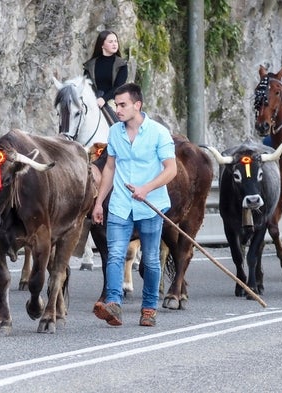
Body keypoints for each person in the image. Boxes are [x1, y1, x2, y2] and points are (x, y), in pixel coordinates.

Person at [91, 83, 177, 327]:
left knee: (150, 259)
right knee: (115, 254)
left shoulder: (159, 132)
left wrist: (146, 189)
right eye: (115, 105)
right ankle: (114, 304)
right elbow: (109, 167)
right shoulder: (115, 133)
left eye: (122, 105)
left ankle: (149, 308)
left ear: (137, 105)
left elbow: (172, 169)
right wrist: (99, 203)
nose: (117, 109)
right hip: (120, 205)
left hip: (150, 205)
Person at [83, 30, 128, 124]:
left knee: (122, 126)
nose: (114, 44)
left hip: (114, 101)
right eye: (110, 42)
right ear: (102, 45)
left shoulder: (121, 64)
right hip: (93, 100)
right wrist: (93, 99)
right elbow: (86, 85)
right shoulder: (90, 65)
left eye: (116, 41)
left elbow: (119, 87)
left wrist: (104, 99)